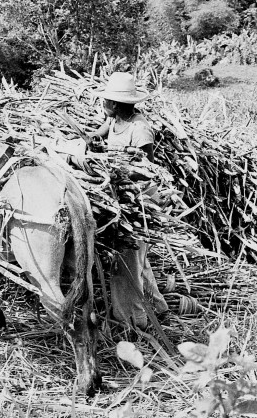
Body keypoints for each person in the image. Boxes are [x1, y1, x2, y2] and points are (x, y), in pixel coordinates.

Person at [88, 72, 168, 330]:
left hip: (139, 197)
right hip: (120, 191)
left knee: (129, 257)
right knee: (138, 259)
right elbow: (99, 133)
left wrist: (122, 158)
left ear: (114, 104)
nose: (103, 105)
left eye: (106, 102)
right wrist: (91, 139)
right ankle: (157, 306)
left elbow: (147, 167)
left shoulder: (139, 127)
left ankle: (133, 319)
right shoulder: (114, 121)